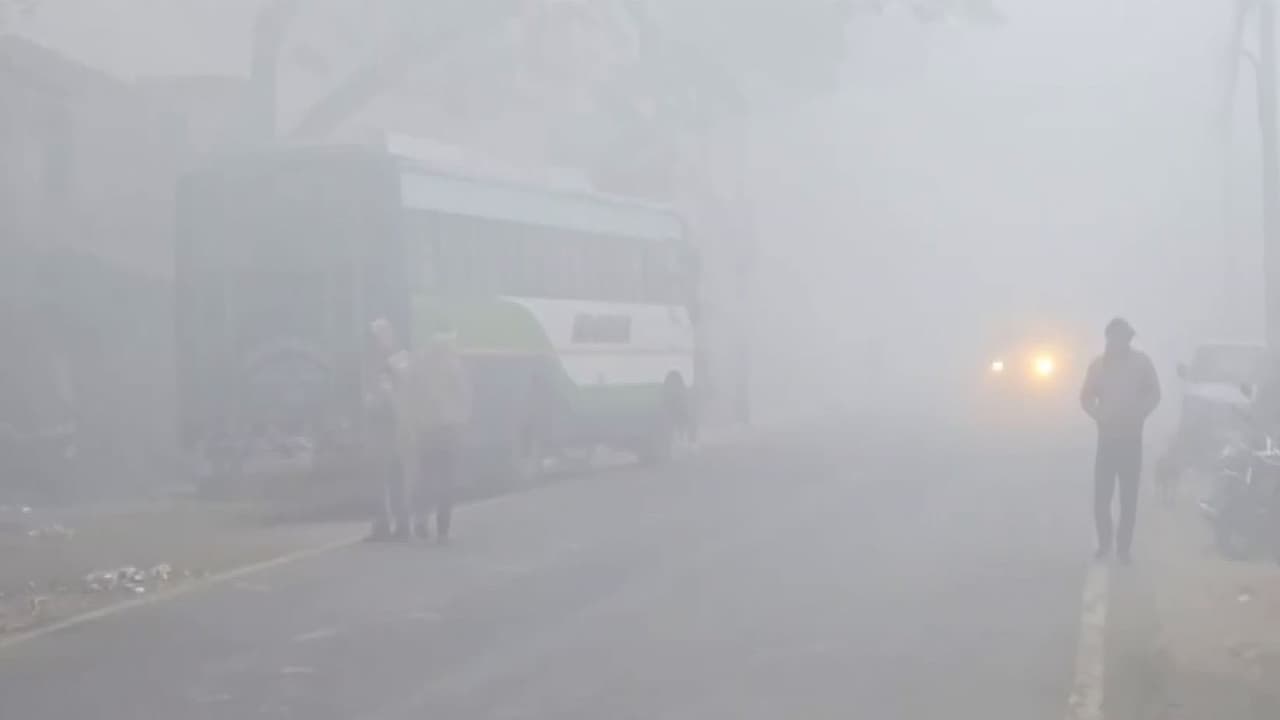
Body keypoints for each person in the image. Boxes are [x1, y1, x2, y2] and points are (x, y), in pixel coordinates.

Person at [1079, 318, 1162, 564]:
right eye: (1115, 337)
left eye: (1124, 337)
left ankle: (1123, 547)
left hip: (1131, 438)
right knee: (1102, 496)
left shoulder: (1141, 363)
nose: (1120, 342)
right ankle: (1105, 542)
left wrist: (1141, 413)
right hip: (1106, 438)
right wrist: (1097, 415)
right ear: (1108, 338)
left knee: (1129, 497)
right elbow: (1085, 397)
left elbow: (1154, 393)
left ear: (1129, 339)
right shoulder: (1098, 366)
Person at [404, 329, 472, 544]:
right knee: (446, 481)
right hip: (449, 431)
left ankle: (421, 520)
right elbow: (464, 396)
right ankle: (443, 529)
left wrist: (413, 424)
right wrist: (463, 422)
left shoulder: (419, 366)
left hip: (425, 431)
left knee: (425, 477)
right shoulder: (453, 366)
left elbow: (410, 396)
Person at [364, 318, 413, 541]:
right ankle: (381, 525)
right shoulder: (373, 361)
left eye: (381, 335)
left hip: (396, 425)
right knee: (377, 478)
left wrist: (388, 394)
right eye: (375, 337)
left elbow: (406, 389)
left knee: (396, 477)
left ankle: (402, 525)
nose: (377, 341)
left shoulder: (400, 358)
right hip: (377, 424)